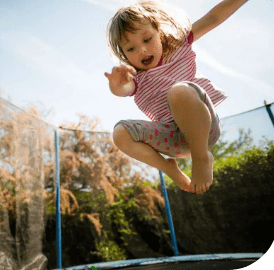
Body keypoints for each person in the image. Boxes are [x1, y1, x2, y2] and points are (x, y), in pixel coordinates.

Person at [104, 0, 248, 194]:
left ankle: (201, 157)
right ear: (124, 54)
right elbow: (124, 90)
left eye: (147, 39)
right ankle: (170, 169)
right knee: (120, 133)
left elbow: (213, 18)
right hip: (172, 141)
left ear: (159, 33)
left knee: (178, 91)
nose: (142, 50)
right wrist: (117, 84)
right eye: (131, 49)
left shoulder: (178, 47)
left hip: (203, 130)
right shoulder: (135, 77)